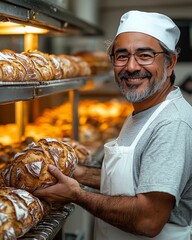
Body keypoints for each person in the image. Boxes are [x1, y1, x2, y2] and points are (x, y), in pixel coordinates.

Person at [33, 10, 192, 240]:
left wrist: (77, 195)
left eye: (145, 55)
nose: (131, 67)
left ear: (170, 64)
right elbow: (138, 178)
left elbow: (149, 219)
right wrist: (76, 173)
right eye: (121, 56)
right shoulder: (145, 110)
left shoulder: (172, 124)